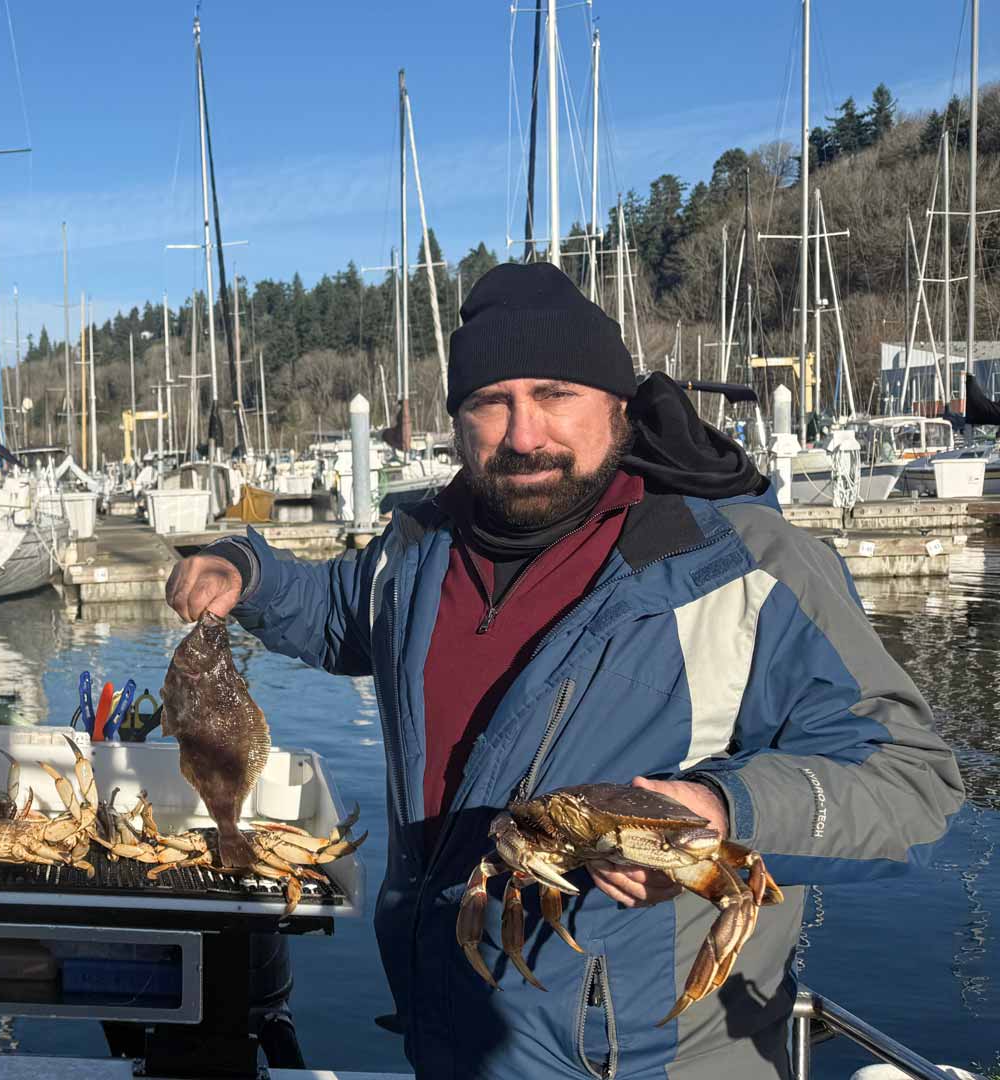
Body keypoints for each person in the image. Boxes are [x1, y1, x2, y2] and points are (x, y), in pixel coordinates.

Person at [165, 263, 964, 1078]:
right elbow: (335, 614)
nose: (523, 434)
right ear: (458, 419)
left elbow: (914, 789)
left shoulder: (746, 567)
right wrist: (245, 568)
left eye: (555, 394)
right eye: (491, 402)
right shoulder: (419, 552)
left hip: (646, 1058)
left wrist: (725, 808)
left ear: (619, 403)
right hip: (449, 1037)